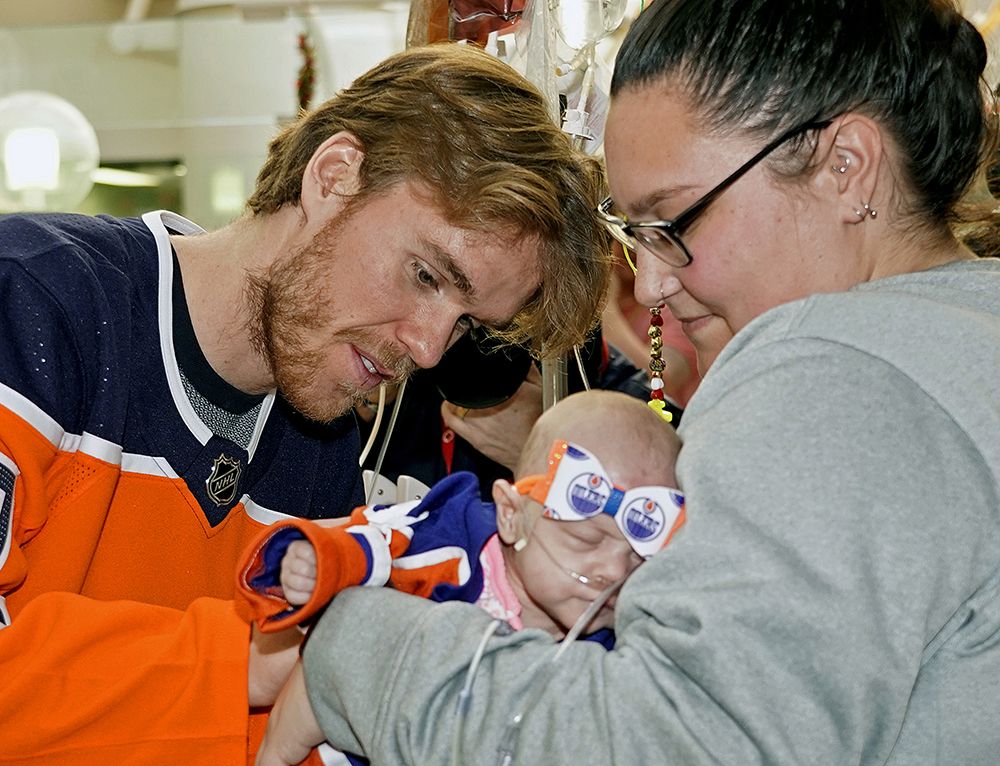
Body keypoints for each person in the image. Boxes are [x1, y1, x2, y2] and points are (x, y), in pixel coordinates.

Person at [268, 1, 1000, 764]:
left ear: (845, 167)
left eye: (673, 223)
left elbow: (671, 747)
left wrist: (361, 647)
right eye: (633, 234)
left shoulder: (838, 372)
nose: (650, 284)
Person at [0, 43, 610, 765]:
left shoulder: (319, 446)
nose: (427, 350)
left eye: (466, 323)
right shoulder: (33, 303)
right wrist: (255, 663)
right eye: (424, 275)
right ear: (334, 175)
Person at [242, 390, 683, 765]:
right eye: (588, 541)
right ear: (511, 516)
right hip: (345, 732)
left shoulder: (612, 648)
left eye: (637, 560)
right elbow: (380, 535)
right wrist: (323, 563)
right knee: (331, 649)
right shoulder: (453, 536)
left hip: (443, 740)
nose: (613, 572)